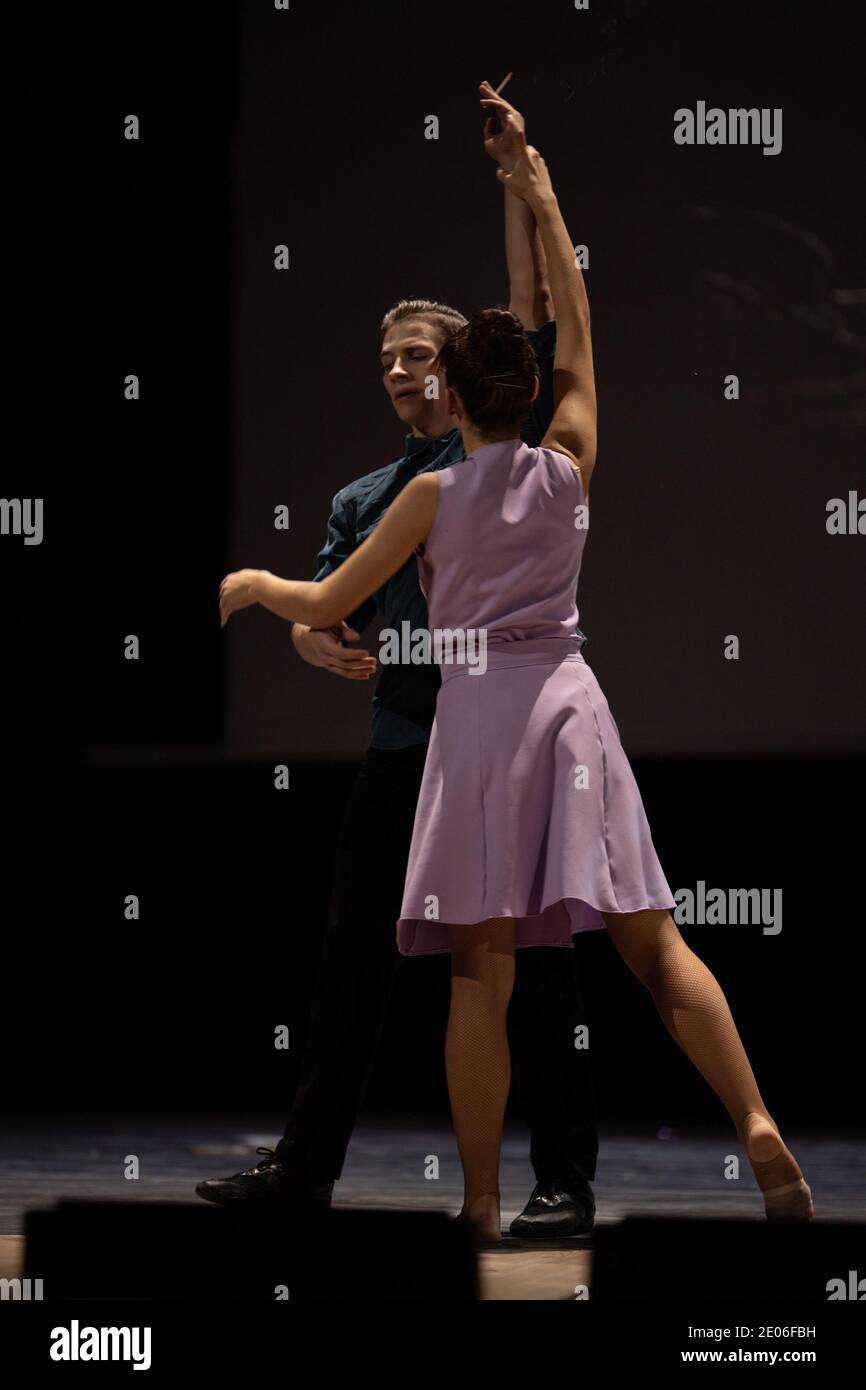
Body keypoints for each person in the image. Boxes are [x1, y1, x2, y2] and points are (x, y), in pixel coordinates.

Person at [220, 114, 814, 1244]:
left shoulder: (431, 496)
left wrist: (255, 585)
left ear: (452, 387)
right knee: (654, 942)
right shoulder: (570, 462)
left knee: (478, 975)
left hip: (478, 724)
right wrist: (534, 185)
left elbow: (321, 599)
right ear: (530, 387)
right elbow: (570, 321)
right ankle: (750, 1117)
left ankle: (484, 1200)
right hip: (571, 712)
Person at [198, 83, 599, 1239]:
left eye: (416, 351)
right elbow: (332, 611)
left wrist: (514, 183)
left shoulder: (503, 458)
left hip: (504, 744)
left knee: (544, 972)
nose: (396, 367)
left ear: (459, 367)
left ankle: (558, 1181)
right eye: (382, 356)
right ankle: (302, 1173)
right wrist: (312, 635)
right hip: (406, 748)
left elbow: (532, 306)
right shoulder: (372, 499)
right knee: (350, 968)